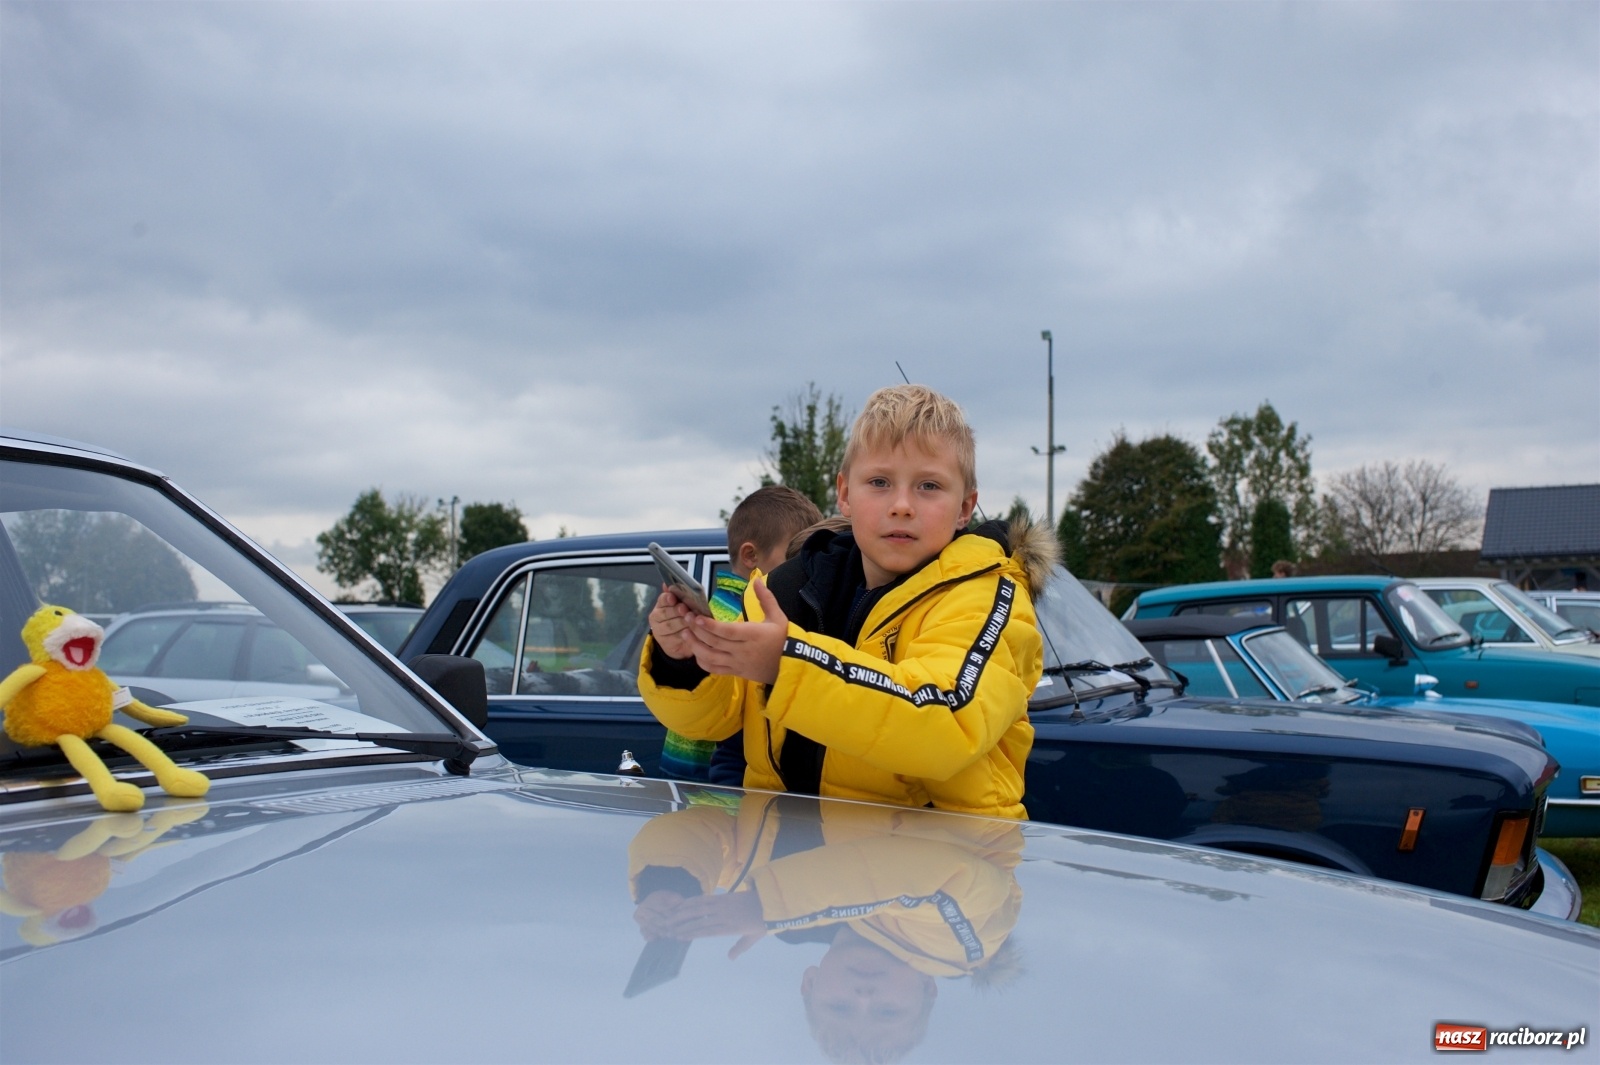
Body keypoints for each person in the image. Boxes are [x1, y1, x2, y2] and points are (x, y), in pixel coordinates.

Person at [642, 384, 1056, 819]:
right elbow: (712, 723)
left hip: (941, 874)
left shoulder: (988, 596)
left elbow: (946, 724)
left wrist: (785, 665)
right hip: (781, 873)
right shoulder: (786, 587)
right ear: (844, 493)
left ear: (965, 507)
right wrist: (684, 658)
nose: (901, 505)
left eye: (929, 486)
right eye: (879, 482)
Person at [658, 485, 821, 781]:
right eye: (795, 558)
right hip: (715, 790)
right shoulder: (747, 622)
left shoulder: (713, 611)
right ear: (751, 556)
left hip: (680, 777)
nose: (805, 569)